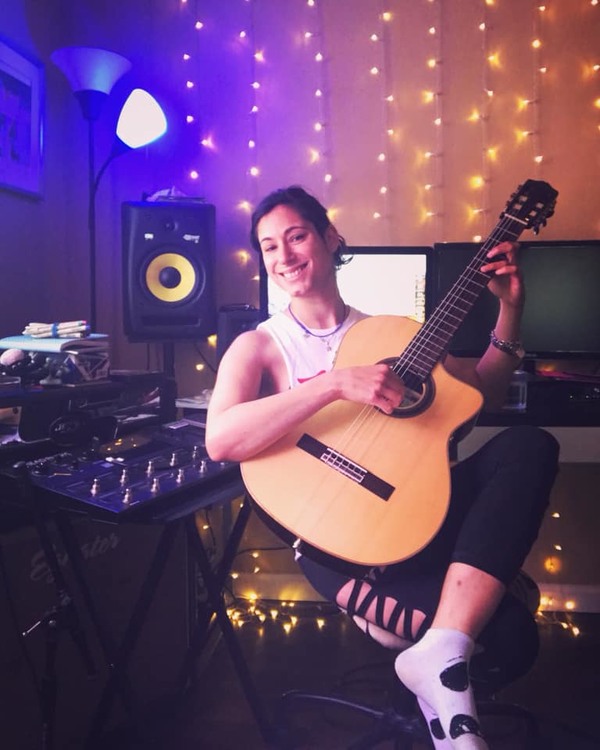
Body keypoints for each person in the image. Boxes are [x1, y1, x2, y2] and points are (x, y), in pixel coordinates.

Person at [206, 185, 560, 749]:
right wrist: (333, 384)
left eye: (296, 237)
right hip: (341, 545)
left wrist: (509, 310)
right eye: (269, 247)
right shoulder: (259, 346)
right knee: (510, 637)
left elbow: (480, 395)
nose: (284, 256)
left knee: (529, 445)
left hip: (418, 517)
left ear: (331, 238)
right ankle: (442, 684)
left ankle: (440, 652)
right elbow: (221, 440)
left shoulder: (394, 334)